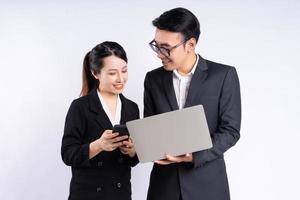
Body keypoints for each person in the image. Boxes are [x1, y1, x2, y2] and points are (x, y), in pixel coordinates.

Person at [144, 8, 241, 200]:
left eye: (166, 48)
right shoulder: (153, 79)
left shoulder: (223, 76)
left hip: (207, 186)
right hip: (164, 187)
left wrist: (195, 156)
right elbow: (150, 128)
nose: (159, 54)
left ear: (190, 44)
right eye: (156, 46)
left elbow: (230, 131)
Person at [61, 41, 139, 200]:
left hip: (120, 194)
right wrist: (98, 145)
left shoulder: (132, 108)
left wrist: (131, 151)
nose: (120, 79)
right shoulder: (80, 107)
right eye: (112, 73)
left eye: (124, 71)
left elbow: (134, 159)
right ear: (95, 73)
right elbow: (67, 154)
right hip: (87, 194)